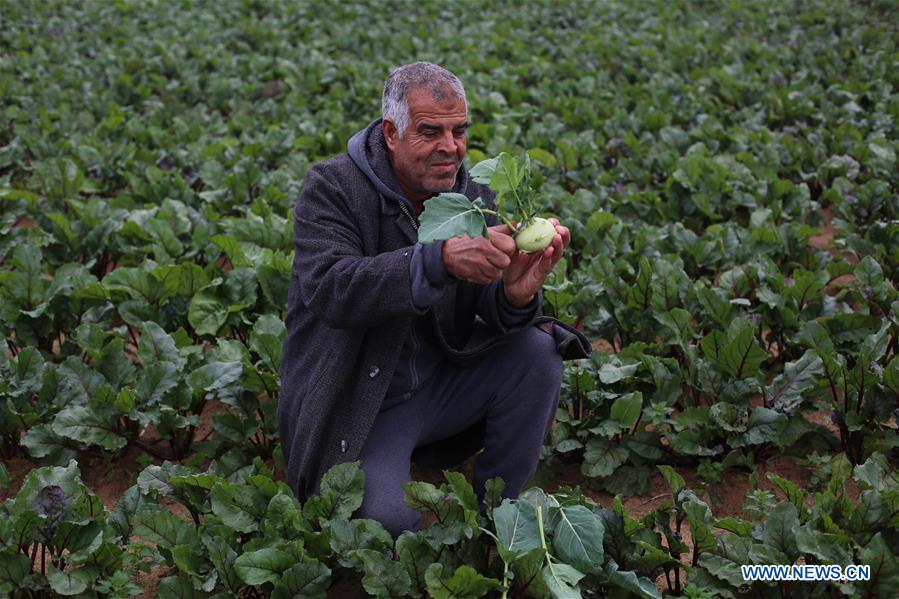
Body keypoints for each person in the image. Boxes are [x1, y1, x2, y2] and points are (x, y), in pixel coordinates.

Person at [279, 62, 590, 537]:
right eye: (430, 132)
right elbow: (331, 288)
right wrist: (435, 262)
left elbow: (489, 309)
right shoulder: (333, 189)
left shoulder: (473, 194)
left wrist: (514, 295)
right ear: (391, 132)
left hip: (442, 388)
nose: (450, 147)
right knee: (386, 526)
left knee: (539, 352)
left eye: (459, 130)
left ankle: (500, 518)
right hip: (366, 401)